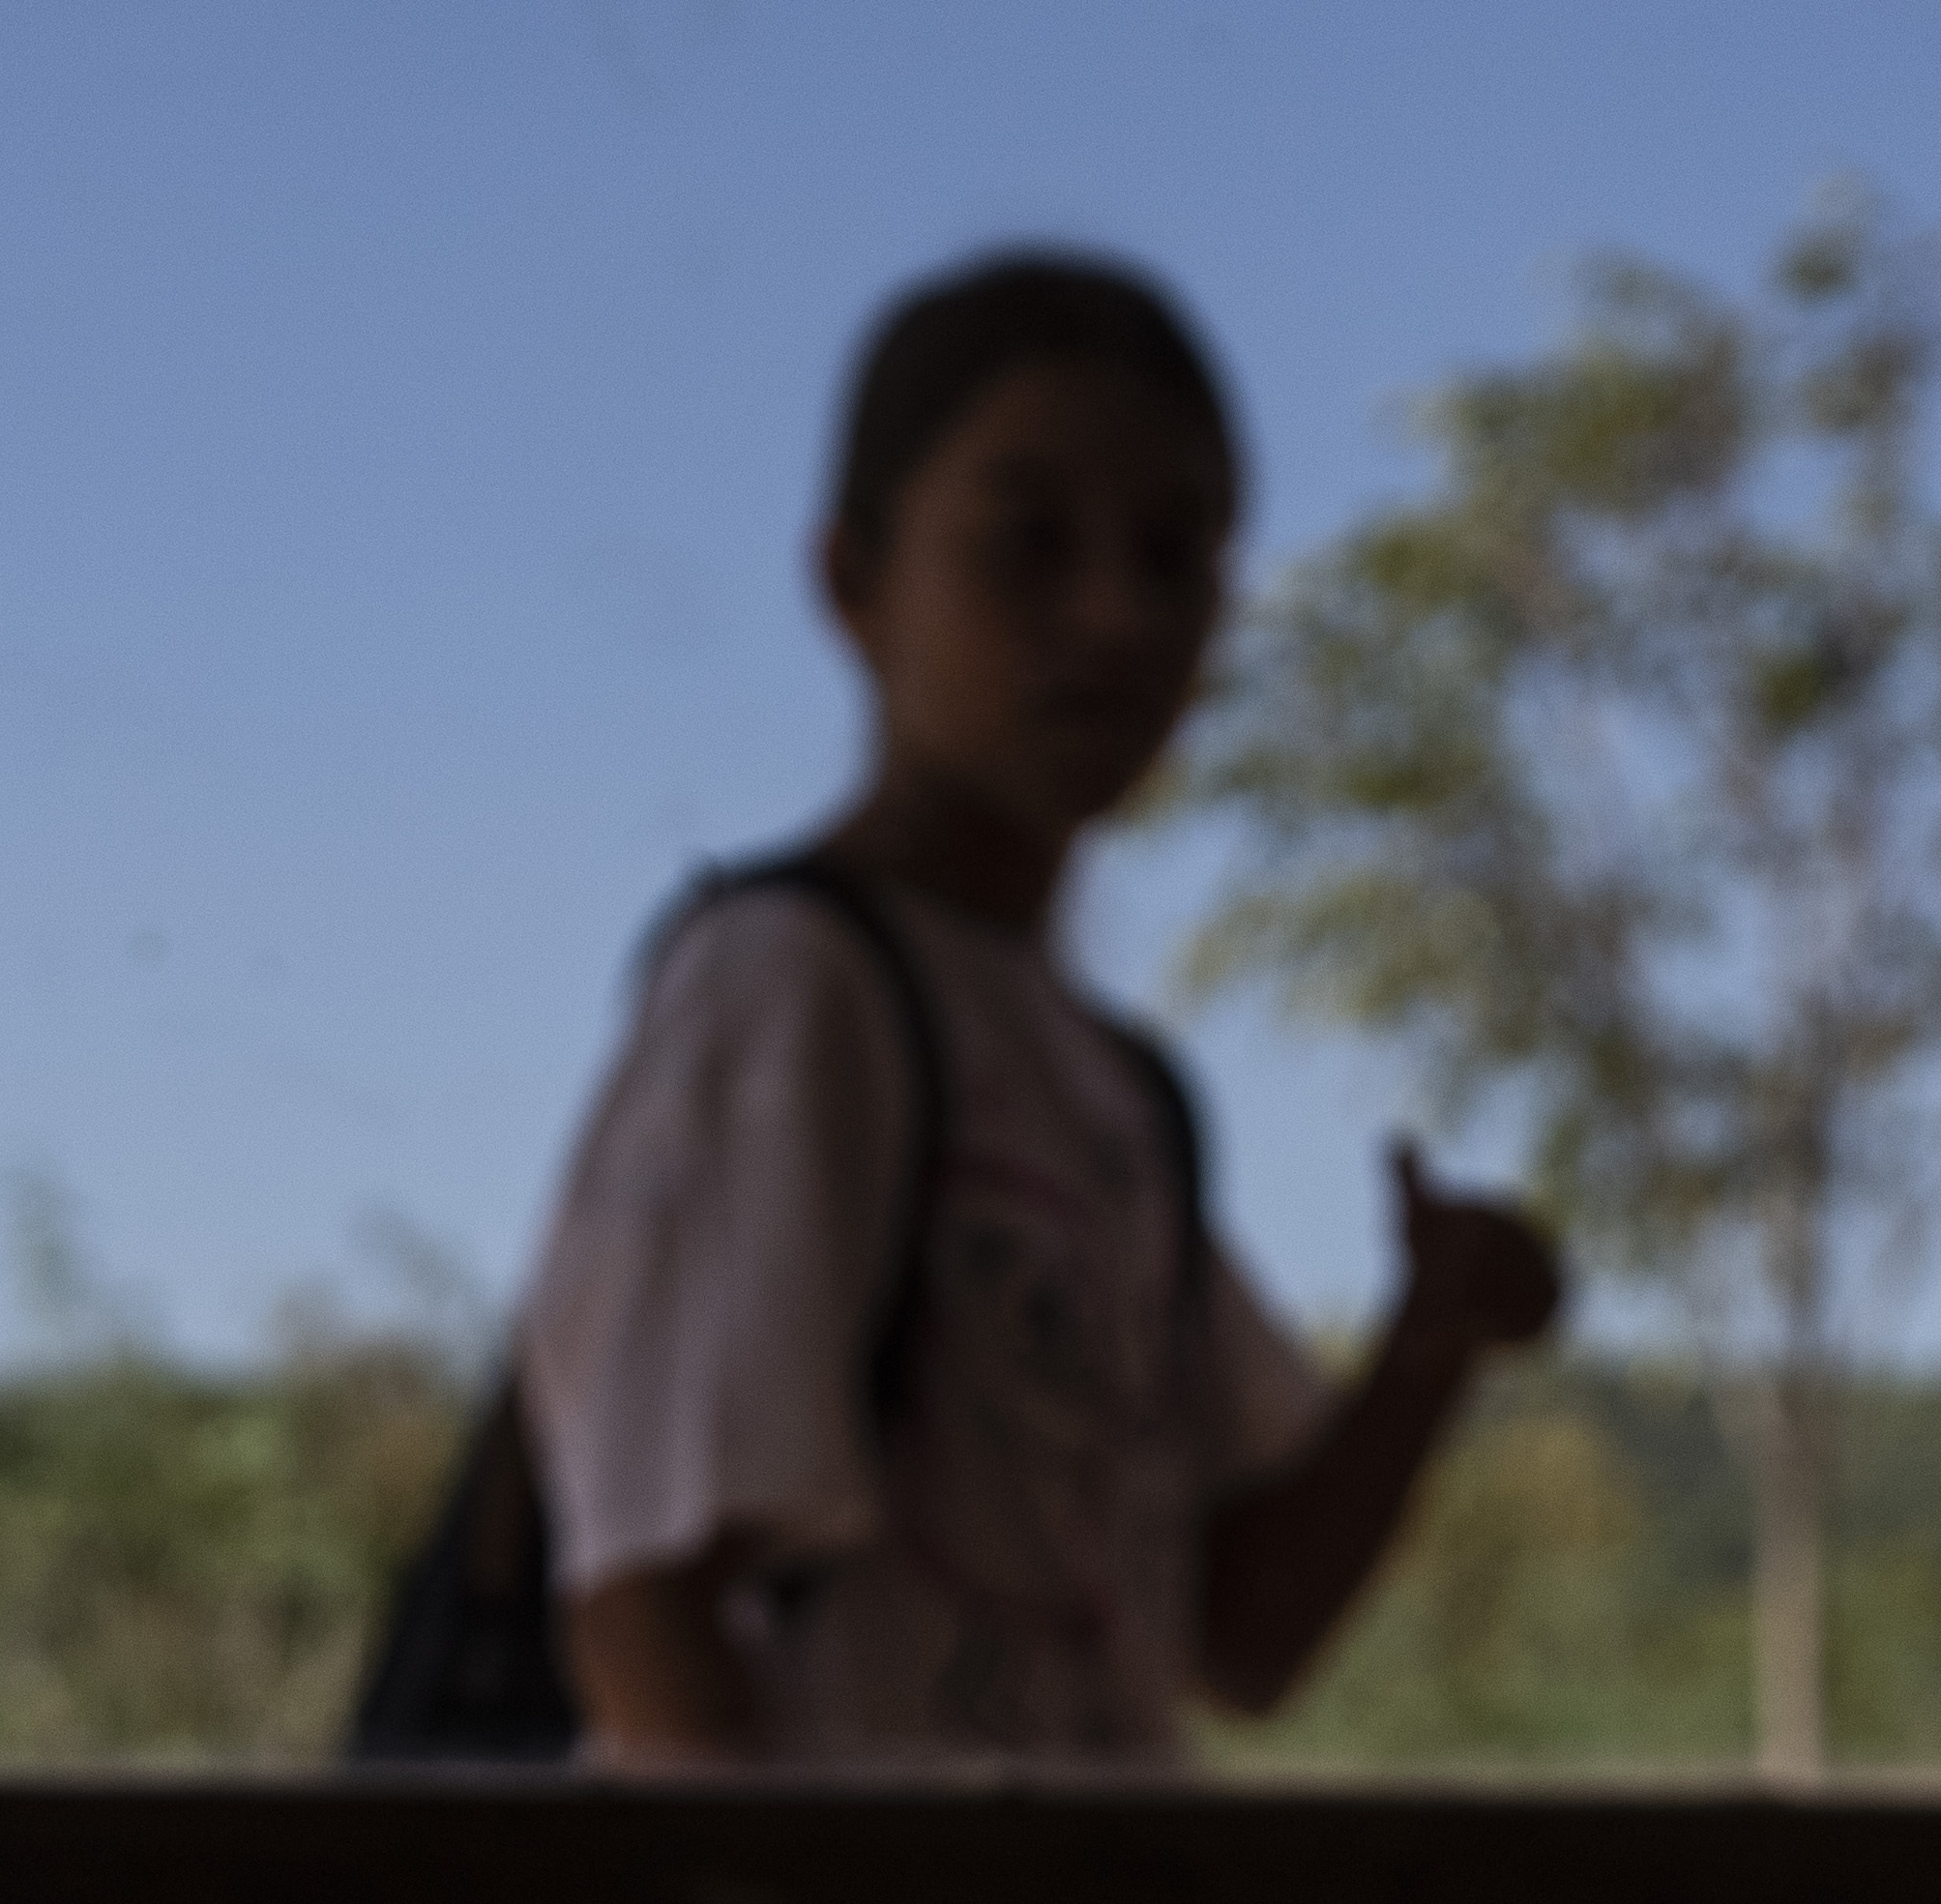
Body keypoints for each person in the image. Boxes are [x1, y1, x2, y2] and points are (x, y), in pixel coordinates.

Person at [518, 250, 1566, 1774]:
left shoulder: (1111, 1086)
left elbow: (1240, 1634)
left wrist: (1427, 1352)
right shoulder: (792, 990)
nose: (1114, 617)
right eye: (1027, 546)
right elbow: (641, 1613)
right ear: (853, 583)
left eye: (1174, 556)